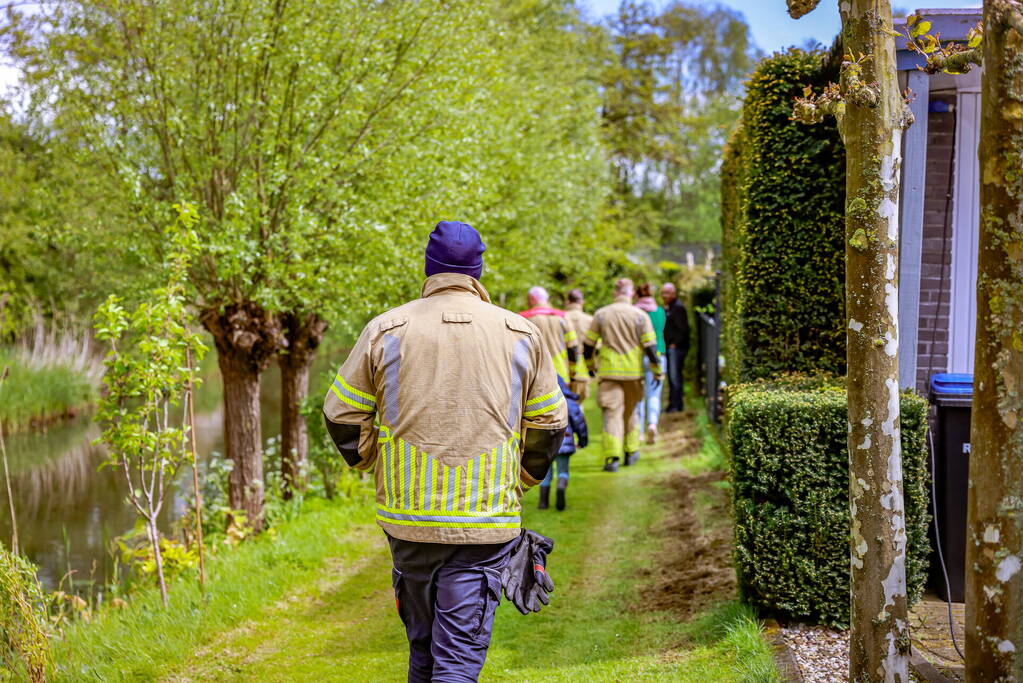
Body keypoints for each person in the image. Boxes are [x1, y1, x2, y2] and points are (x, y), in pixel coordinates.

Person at [323, 221, 567, 682]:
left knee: (423, 651)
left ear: (429, 267)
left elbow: (341, 414)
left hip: (408, 519)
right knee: (456, 662)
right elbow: (550, 422)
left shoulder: (385, 329)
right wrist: (524, 478)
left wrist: (369, 460)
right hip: (484, 522)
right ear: (477, 271)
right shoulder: (520, 333)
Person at [583, 278, 661, 470]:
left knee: (612, 414)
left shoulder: (601, 314)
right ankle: (631, 451)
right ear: (632, 293)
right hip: (633, 374)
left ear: (614, 293)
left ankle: (612, 458)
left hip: (609, 373)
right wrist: (657, 371)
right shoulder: (640, 316)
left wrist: (591, 365)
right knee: (631, 412)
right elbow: (651, 347)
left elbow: (588, 346)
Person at [538, 375, 588, 511]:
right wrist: (583, 440)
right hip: (564, 443)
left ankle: (543, 502)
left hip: (546, 444)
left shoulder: (541, 402)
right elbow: (579, 422)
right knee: (563, 471)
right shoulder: (569, 402)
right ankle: (561, 486)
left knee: (545, 474)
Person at [519, 286, 578, 384]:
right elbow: (573, 349)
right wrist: (572, 374)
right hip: (561, 374)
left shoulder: (522, 318)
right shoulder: (563, 317)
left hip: (535, 377)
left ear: (532, 299)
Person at [634, 282, 666, 444]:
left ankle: (638, 432)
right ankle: (652, 424)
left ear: (637, 295)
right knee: (654, 393)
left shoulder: (635, 312)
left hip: (638, 356)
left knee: (638, 396)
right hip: (658, 354)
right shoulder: (660, 312)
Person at [661, 282, 690, 413]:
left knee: (675, 376)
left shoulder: (678, 308)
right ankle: (673, 404)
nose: (664, 296)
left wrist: (674, 344)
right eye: (662, 293)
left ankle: (676, 405)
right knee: (673, 377)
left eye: (667, 293)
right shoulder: (670, 307)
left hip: (676, 349)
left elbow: (683, 329)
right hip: (671, 348)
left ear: (674, 293)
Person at [563, 289, 593, 400]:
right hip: (583, 370)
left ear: (568, 302)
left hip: (564, 370)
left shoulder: (561, 318)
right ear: (582, 302)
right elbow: (595, 347)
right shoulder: (590, 320)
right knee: (578, 408)